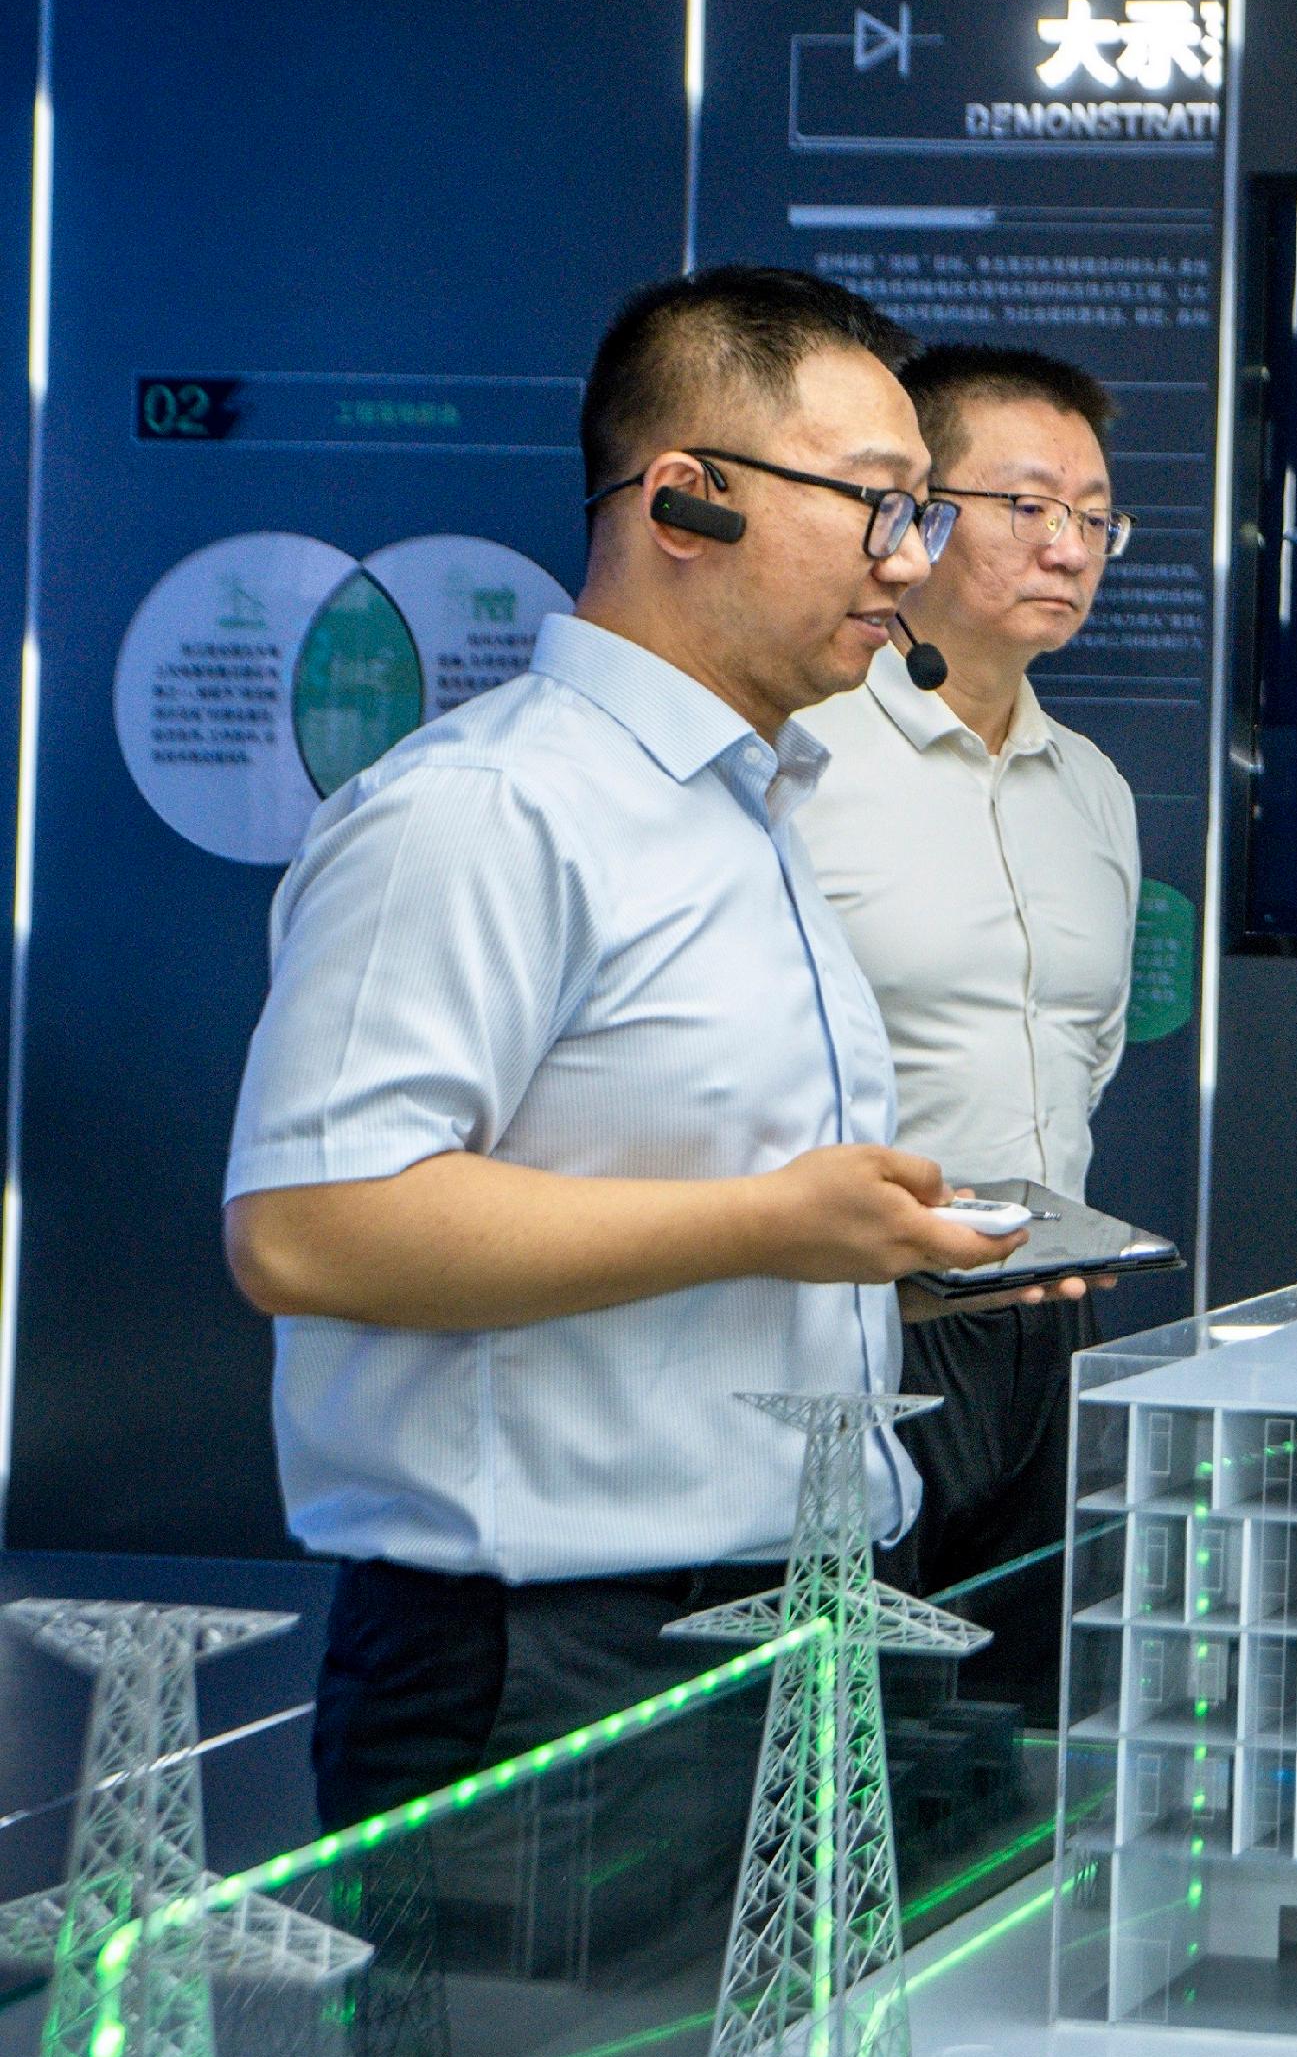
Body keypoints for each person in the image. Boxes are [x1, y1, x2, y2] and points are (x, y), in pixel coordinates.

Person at [222, 267, 1087, 1827]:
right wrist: (770, 1223)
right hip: (557, 1664)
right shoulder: (486, 810)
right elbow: (310, 1223)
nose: (912, 560)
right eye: (880, 505)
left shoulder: (750, 809)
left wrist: (888, 1245)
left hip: (793, 1624)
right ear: (686, 501)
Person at [798, 344, 1145, 1636]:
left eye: (1097, 515)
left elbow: (1088, 1051)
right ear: (918, 515)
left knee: (1014, 1753)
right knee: (846, 1737)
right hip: (859, 1328)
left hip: (1052, 1332)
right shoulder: (803, 755)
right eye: (1030, 506)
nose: (1071, 545)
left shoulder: (1095, 787)